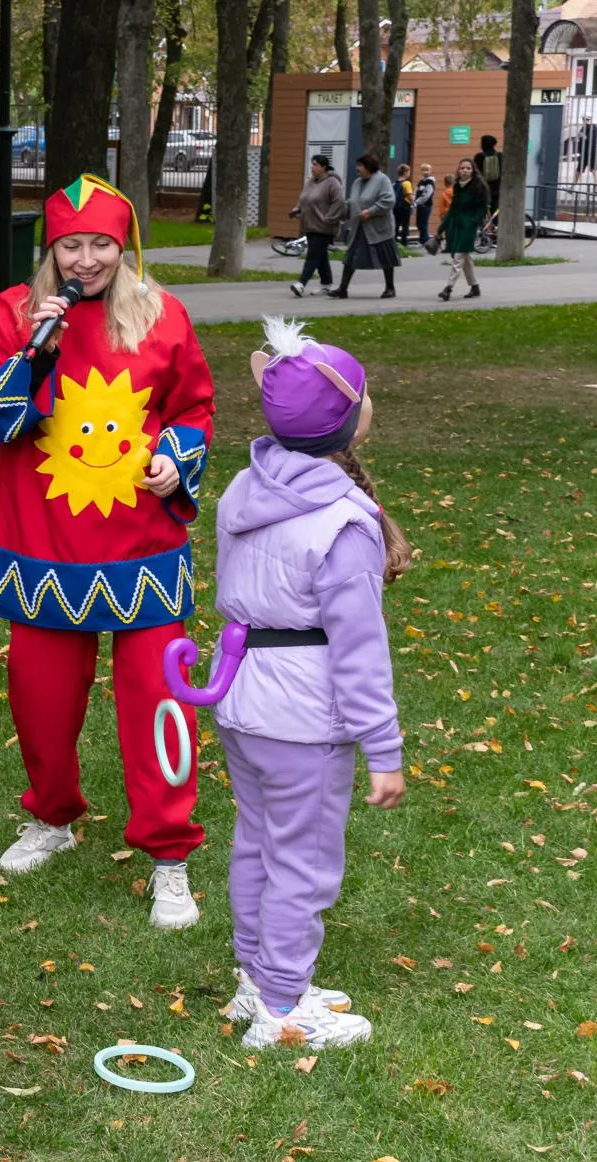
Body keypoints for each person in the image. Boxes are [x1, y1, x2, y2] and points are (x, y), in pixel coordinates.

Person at [0, 173, 212, 929]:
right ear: (52, 248)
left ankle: (169, 855)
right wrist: (35, 353)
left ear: (123, 245)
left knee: (161, 706)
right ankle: (52, 816)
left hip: (144, 553)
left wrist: (176, 457)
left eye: (102, 244)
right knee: (41, 704)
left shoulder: (163, 315)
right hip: (43, 551)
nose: (86, 260)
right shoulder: (13, 314)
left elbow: (193, 406)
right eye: (72, 245)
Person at [216, 317, 408, 1050]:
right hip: (303, 715)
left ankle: (257, 977)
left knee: (259, 841)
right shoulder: (343, 523)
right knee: (302, 860)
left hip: (242, 696)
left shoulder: (247, 485)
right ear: (350, 425)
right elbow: (358, 648)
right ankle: (282, 1005)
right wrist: (383, 749)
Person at [329, 153, 399, 300]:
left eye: (360, 165)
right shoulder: (357, 183)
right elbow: (353, 202)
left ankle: (390, 288)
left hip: (379, 228)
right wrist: (342, 209)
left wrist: (371, 211)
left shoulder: (382, 180)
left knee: (385, 257)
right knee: (350, 257)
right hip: (359, 227)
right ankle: (343, 289)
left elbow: (388, 200)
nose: (357, 168)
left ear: (369, 167)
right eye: (357, 165)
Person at [288, 154, 344, 299]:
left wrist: (329, 219)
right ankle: (326, 284)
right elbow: (304, 199)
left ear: (324, 167)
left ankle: (301, 284)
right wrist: (297, 209)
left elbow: (339, 202)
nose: (312, 167)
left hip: (324, 227)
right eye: (312, 164)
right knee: (320, 256)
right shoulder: (310, 182)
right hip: (310, 225)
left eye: (315, 165)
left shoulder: (332, 182)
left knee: (312, 256)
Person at [436, 157, 489, 302]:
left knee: (458, 257)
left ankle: (448, 288)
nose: (465, 170)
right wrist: (442, 227)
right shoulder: (457, 187)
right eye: (462, 168)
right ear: (458, 170)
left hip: (469, 226)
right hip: (457, 226)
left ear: (473, 170)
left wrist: (474, 221)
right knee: (466, 260)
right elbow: (452, 209)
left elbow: (482, 208)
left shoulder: (478, 186)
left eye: (468, 168)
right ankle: (475, 287)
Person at [476, 135, 503, 215]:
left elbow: (476, 173)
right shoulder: (500, 156)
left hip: (483, 189)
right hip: (498, 189)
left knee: (484, 211)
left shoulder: (479, 157)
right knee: (496, 211)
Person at [413, 162, 436, 250]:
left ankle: (425, 241)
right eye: (423, 170)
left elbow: (426, 195)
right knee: (418, 223)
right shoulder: (421, 182)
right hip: (419, 206)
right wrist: (413, 199)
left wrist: (417, 202)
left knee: (423, 224)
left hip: (426, 206)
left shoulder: (430, 182)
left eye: (427, 170)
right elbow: (416, 191)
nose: (425, 172)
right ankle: (423, 240)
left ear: (430, 171)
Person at [392, 164, 414, 247]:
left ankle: (394, 240)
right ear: (405, 172)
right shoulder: (407, 183)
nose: (409, 174)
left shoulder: (395, 183)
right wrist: (413, 204)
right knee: (405, 224)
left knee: (396, 224)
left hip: (396, 206)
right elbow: (409, 195)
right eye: (409, 172)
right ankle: (404, 242)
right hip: (405, 205)